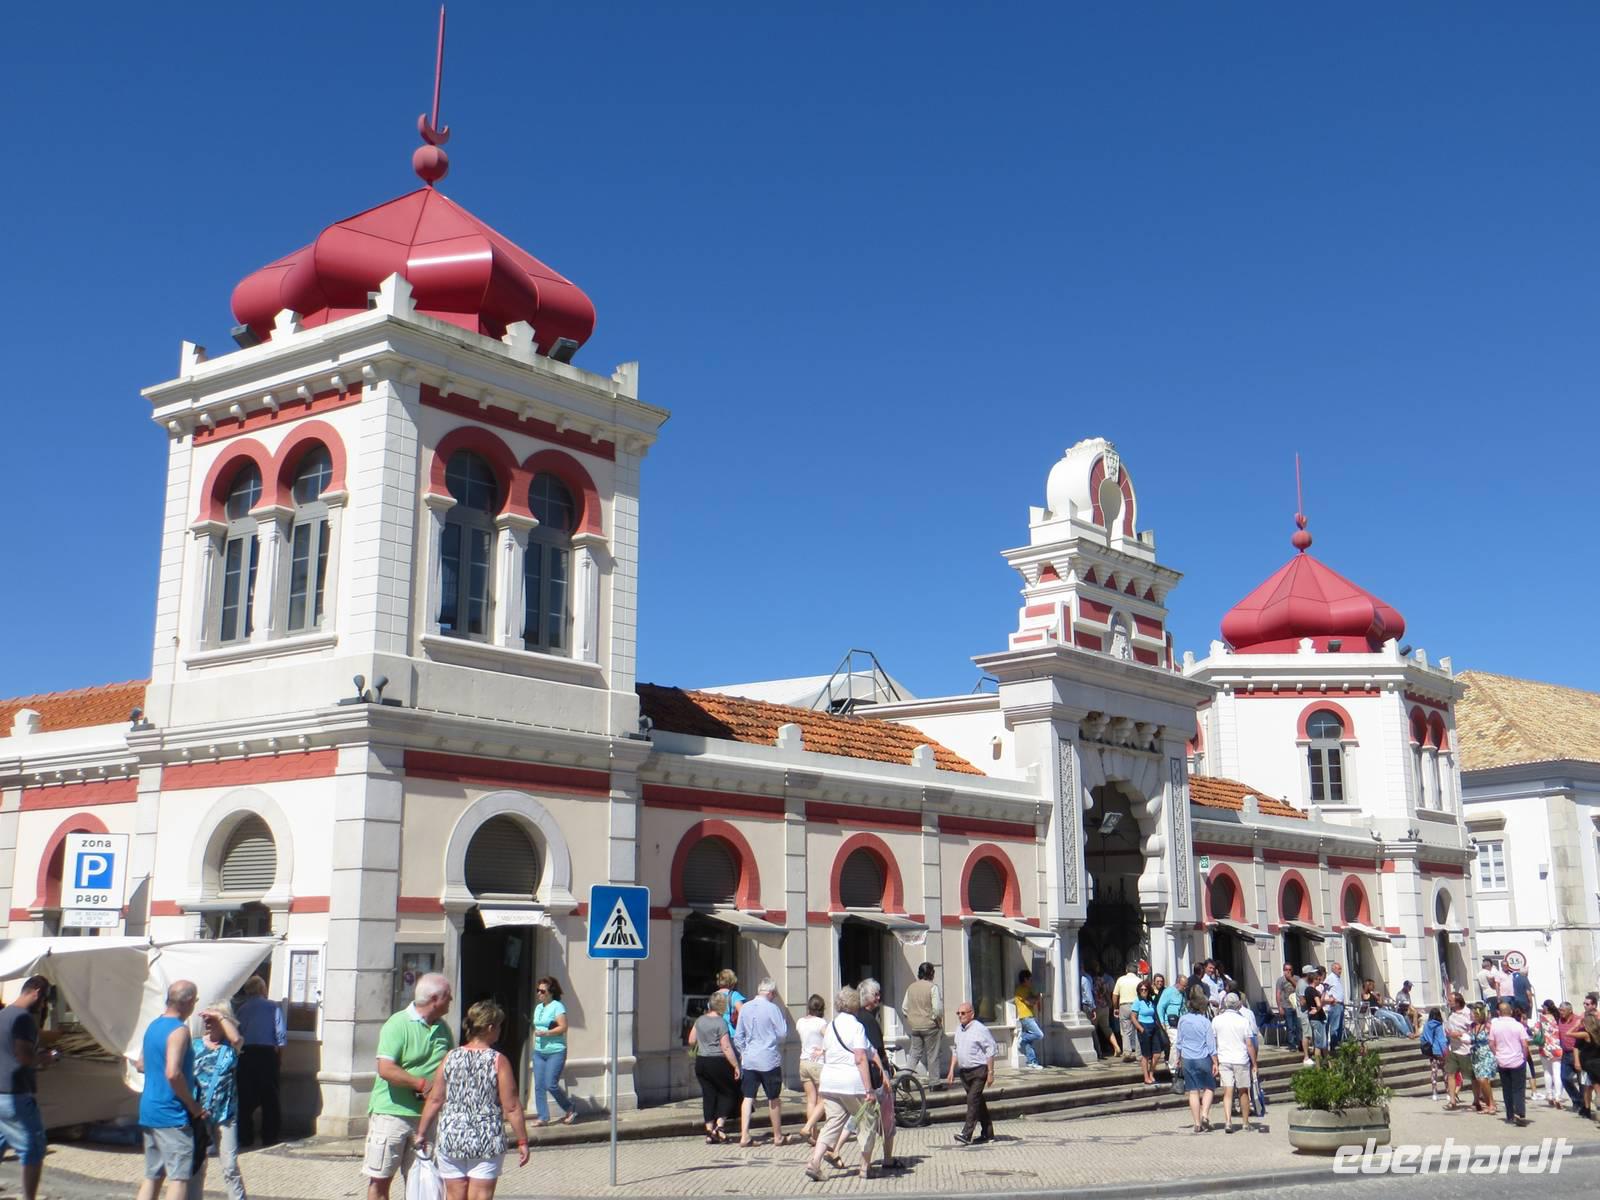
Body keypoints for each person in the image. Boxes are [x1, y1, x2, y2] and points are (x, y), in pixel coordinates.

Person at [416, 1000, 528, 1198]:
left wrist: (421, 1133)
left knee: (454, 1195)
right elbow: (511, 1107)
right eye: (499, 1026)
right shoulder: (498, 1061)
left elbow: (435, 1099)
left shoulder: (450, 1057)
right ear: (491, 1027)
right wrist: (522, 1140)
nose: (500, 1030)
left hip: (452, 1137)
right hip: (486, 1139)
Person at [364, 973, 454, 1200]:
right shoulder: (398, 1024)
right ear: (435, 998)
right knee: (381, 1180)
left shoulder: (443, 1029)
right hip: (391, 1115)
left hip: (426, 1117)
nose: (451, 999)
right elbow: (385, 1068)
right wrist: (420, 1084)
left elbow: (450, 1066)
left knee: (422, 1183)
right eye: (447, 996)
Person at [135, 981, 205, 1200]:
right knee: (178, 1178)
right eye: (195, 1001)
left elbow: (140, 1065)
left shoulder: (154, 1026)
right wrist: (193, 1106)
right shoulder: (179, 1031)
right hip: (172, 1113)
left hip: (149, 1109)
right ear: (187, 1002)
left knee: (153, 1175)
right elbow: (173, 1073)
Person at [804, 987, 876, 1183]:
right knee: (866, 1121)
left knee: (833, 1123)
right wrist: (869, 1088)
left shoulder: (831, 1025)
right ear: (855, 1005)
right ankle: (864, 1167)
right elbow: (860, 1057)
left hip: (829, 1081)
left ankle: (815, 1162)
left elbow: (826, 1052)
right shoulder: (857, 1027)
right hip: (851, 1083)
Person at [0, 976, 55, 1200]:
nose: (43, 1006)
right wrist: (44, 1058)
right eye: (44, 1001)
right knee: (33, 1149)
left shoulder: (2, 1015)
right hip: (16, 1095)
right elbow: (24, 1056)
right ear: (36, 992)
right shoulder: (22, 1018)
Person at [189, 1000, 246, 1200]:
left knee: (230, 1166)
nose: (207, 1023)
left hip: (226, 1114)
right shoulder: (195, 1045)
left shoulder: (231, 1047)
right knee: (198, 1165)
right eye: (205, 1019)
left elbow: (237, 1037)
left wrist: (220, 1016)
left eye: (211, 1020)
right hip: (199, 1113)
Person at [733, 978, 793, 1148]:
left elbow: (738, 1036)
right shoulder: (772, 1008)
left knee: (748, 1097)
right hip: (768, 1058)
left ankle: (744, 1135)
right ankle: (777, 1136)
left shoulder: (745, 1007)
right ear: (771, 993)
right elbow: (782, 1033)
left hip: (750, 1058)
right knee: (773, 1098)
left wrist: (744, 1052)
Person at [856, 979, 903, 1171]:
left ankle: (832, 1149)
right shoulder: (869, 1020)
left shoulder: (856, 1018)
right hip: (876, 1076)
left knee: (858, 1118)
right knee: (887, 1117)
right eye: (876, 995)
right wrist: (886, 1072)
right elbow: (877, 1050)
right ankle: (888, 1158)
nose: (879, 998)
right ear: (867, 998)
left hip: (861, 1075)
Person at [234, 975, 284, 1149]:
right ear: (263, 989)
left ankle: (245, 1136)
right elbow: (280, 1035)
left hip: (246, 1054)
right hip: (266, 1053)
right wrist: (279, 1057)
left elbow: (237, 1033)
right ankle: (270, 1136)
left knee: (245, 1098)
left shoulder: (242, 1009)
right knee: (270, 1098)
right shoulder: (272, 1007)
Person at [688, 992, 740, 1143]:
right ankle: (720, 1126)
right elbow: (726, 1046)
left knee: (708, 1095)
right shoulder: (721, 1022)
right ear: (722, 1006)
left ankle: (709, 1131)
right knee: (730, 1092)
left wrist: (704, 1042)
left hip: (702, 1062)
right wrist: (736, 1065)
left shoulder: (700, 1020)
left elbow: (691, 1040)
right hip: (718, 1061)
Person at [946, 998, 996, 1146]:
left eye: (963, 1013)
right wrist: (951, 1070)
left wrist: (991, 1072)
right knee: (978, 1102)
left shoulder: (981, 1029)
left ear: (971, 1014)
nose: (960, 1016)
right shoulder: (959, 1029)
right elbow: (956, 1050)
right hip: (964, 1072)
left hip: (979, 1071)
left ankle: (966, 1134)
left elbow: (990, 1050)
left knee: (972, 1100)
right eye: (958, 1013)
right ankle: (988, 1132)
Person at [529, 977, 576, 1127]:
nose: (539, 994)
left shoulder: (557, 1006)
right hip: (539, 1051)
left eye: (542, 991)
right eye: (538, 990)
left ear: (551, 992)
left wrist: (547, 1034)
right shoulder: (538, 1008)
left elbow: (563, 1027)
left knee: (551, 1084)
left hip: (555, 1051)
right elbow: (536, 1026)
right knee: (539, 1086)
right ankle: (543, 1117)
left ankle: (569, 1108)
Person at [1213, 993, 1259, 1134]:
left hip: (1224, 1058)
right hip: (1241, 1059)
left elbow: (1213, 1042)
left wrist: (1215, 1060)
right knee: (1243, 1091)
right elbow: (1249, 1044)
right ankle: (1245, 1122)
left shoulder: (1216, 1020)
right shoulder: (1243, 1021)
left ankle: (1228, 1122)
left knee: (1228, 1091)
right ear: (1238, 1005)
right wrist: (1254, 1062)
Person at [1173, 995, 1218, 1134]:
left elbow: (1178, 1041)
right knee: (1209, 1087)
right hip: (1203, 1057)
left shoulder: (1183, 1020)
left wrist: (1178, 1057)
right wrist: (1215, 1061)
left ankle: (1197, 1124)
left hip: (1187, 1058)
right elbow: (1211, 1044)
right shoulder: (1205, 1022)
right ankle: (1204, 1114)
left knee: (1193, 1091)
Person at [1488, 1000, 1529, 1126]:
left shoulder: (1495, 1026)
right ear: (1510, 1012)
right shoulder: (1518, 1026)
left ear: (1499, 1012)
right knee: (1518, 1088)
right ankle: (1520, 1112)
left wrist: (1497, 1054)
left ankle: (1510, 1115)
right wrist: (1524, 1057)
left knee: (1507, 1089)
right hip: (1517, 1059)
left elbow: (1491, 1043)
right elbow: (1525, 1044)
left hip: (1503, 1061)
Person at [901, 964, 943, 1083]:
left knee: (914, 1054)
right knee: (933, 1055)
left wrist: (912, 1020)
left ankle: (905, 1077)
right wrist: (935, 1019)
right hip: (930, 1026)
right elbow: (937, 1009)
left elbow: (904, 1008)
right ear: (931, 973)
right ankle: (934, 1082)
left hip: (915, 1026)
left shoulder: (911, 987)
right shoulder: (932, 987)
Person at [796, 995, 828, 1143]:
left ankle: (813, 1134)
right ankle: (808, 1128)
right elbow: (829, 1039)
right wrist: (822, 1051)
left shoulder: (800, 1022)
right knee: (824, 1099)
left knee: (810, 1100)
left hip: (803, 1061)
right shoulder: (821, 1023)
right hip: (818, 1063)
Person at [1554, 1000, 1589, 1115]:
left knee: (1582, 1082)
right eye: (1559, 1010)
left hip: (1579, 1053)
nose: (1560, 1012)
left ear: (1570, 1011)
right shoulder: (1560, 1020)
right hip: (1566, 1054)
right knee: (1564, 1078)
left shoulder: (1578, 1020)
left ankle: (1584, 1106)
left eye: (1563, 1010)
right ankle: (1577, 1100)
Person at [1442, 993, 1474, 1110]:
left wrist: (1460, 1034)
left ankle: (1476, 1100)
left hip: (1465, 1049)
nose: (1448, 1002)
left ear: (1458, 1002)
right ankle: (1452, 1100)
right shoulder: (1451, 1014)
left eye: (1450, 1000)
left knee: (1472, 1076)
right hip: (1453, 1048)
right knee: (1450, 1074)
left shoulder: (1468, 1013)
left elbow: (1473, 1031)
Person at [1469, 1003, 1498, 1115]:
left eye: (1472, 1013)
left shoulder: (1487, 1026)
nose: (1471, 1015)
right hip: (1476, 1055)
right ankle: (1490, 1104)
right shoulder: (1472, 1026)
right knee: (1482, 1080)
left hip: (1487, 1054)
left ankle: (1491, 1104)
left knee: (1483, 1079)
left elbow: (1494, 1039)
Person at [1014, 969, 1045, 1070]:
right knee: (1039, 1034)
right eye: (1030, 980)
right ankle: (1022, 1038)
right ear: (1025, 979)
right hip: (1025, 1017)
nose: (1031, 982)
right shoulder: (1020, 990)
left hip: (1030, 1015)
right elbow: (1029, 1002)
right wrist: (1036, 999)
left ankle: (1032, 1062)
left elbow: (1034, 999)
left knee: (1029, 1043)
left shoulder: (1029, 989)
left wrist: (1036, 997)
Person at [1535, 999, 1563, 1109]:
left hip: (1545, 1048)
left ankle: (1549, 1095)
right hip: (1557, 1047)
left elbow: (1536, 1032)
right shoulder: (1558, 1018)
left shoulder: (1542, 1019)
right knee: (1557, 1073)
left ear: (1546, 1008)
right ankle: (1558, 1097)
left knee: (1547, 1072)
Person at [1111, 962, 1142, 1063]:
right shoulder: (1139, 981)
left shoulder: (1121, 980)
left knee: (1126, 1030)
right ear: (1136, 971)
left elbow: (1115, 995)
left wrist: (1115, 1008)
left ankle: (1127, 1053)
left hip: (1124, 1005)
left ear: (1126, 970)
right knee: (1138, 1029)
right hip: (1137, 1006)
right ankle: (1138, 1054)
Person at [1130, 981, 1159, 1086]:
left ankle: (1151, 1073)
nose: (1143, 991)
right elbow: (1133, 1017)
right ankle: (1146, 1077)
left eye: (1145, 989)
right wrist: (1141, 1029)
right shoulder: (1137, 1001)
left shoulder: (1150, 1001)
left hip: (1153, 1026)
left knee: (1157, 1053)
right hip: (1144, 1026)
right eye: (1141, 989)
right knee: (1146, 1054)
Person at [1153, 973, 1181, 1069]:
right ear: (1154, 982)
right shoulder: (1151, 993)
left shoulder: (1166, 991)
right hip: (1155, 1019)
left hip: (1163, 1020)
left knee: (1167, 1041)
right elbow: (1159, 1006)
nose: (1160, 983)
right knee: (1165, 1040)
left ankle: (1168, 1058)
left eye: (1161, 981)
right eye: (1158, 981)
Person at [1418, 1007, 1446, 1100]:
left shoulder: (1426, 1025)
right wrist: (1445, 1051)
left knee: (1434, 1071)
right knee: (1445, 1072)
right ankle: (1449, 1093)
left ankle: (1434, 1093)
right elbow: (1441, 1040)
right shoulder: (1438, 1026)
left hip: (1430, 1051)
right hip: (1438, 1051)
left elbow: (1423, 1037)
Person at [1091, 974, 1120, 1060]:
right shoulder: (1103, 982)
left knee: (1093, 1029)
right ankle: (1116, 1046)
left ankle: (1098, 1051)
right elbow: (1108, 993)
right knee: (1107, 1028)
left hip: (1096, 1008)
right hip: (1105, 1007)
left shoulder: (1091, 981)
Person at [1274, 964, 1301, 1052]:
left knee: (1298, 1026)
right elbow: (1278, 994)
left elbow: (1300, 988)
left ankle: (1300, 1043)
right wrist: (1280, 1007)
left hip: (1296, 1006)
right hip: (1286, 1006)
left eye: (1290, 969)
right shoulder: (1280, 980)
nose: (1288, 971)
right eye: (1286, 969)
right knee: (1290, 1027)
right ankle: (1292, 1045)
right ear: (1283, 970)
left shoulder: (1296, 978)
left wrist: (1290, 979)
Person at [1324, 962, 1347, 1050]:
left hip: (1340, 1004)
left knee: (1340, 1025)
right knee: (1335, 1025)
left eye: (1340, 969)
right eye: (1338, 969)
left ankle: (1338, 1042)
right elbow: (1325, 988)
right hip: (1335, 1005)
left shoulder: (1337, 978)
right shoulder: (1330, 978)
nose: (1340, 971)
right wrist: (1331, 997)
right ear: (1333, 969)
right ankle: (1334, 1044)